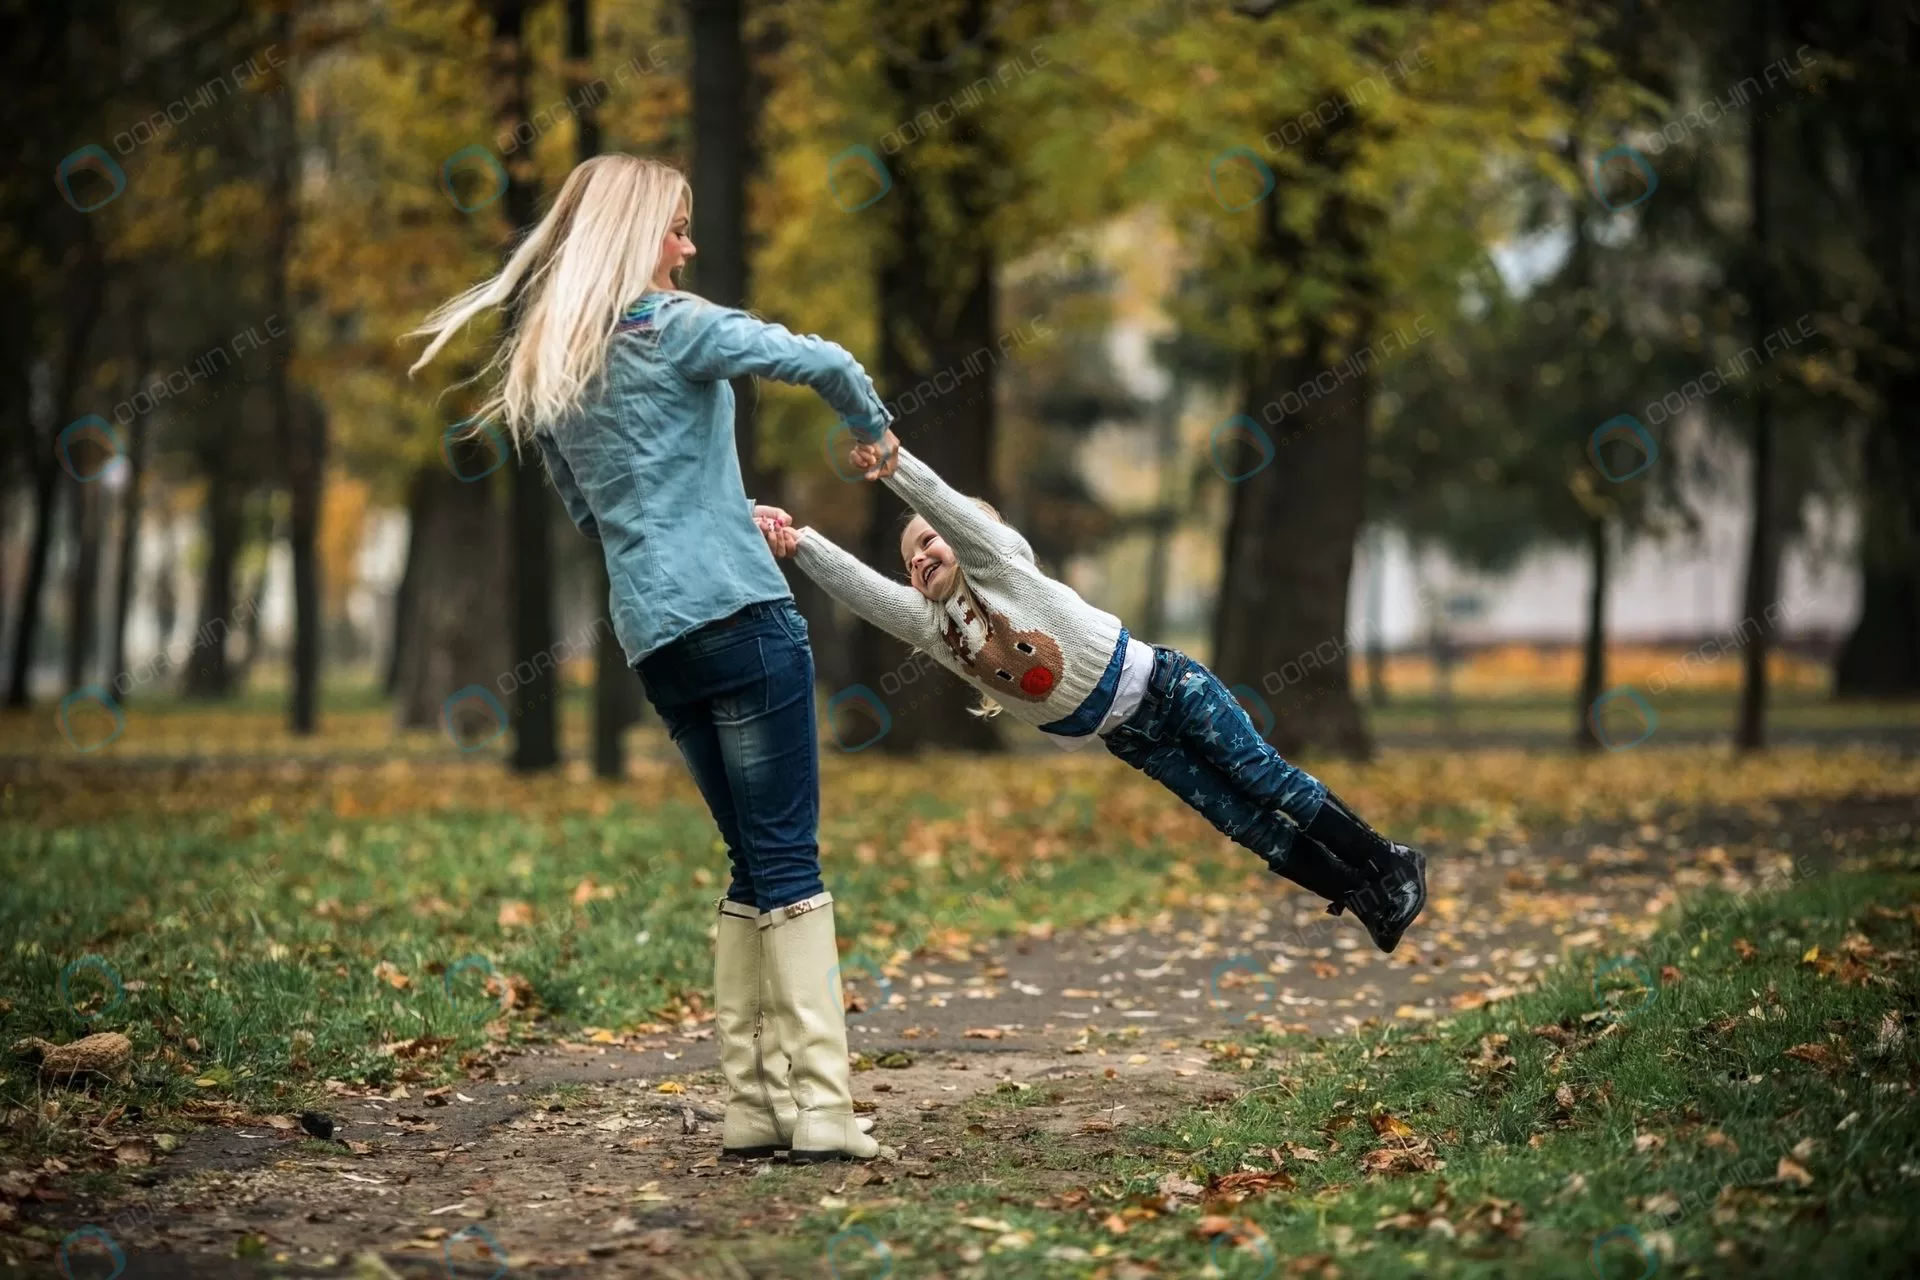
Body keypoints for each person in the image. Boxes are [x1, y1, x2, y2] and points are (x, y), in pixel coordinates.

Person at [407, 155, 886, 1164]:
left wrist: (717, 510)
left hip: (657, 637)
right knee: (789, 855)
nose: (691, 246)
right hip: (744, 617)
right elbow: (825, 362)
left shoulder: (557, 366)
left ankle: (757, 1104)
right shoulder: (676, 325)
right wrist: (873, 432)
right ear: (637, 235)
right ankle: (827, 1108)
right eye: (678, 227)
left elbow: (599, 512)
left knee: (751, 859)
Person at [760, 436, 1428, 953]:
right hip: (1132, 738)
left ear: (964, 538)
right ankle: (1359, 895)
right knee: (1243, 823)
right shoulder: (937, 630)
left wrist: (894, 467)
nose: (919, 557)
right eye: (908, 557)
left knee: (1264, 779)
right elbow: (862, 590)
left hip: (1170, 689)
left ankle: (1387, 860)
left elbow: (948, 509)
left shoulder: (1000, 563)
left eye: (929, 541)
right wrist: (801, 544)